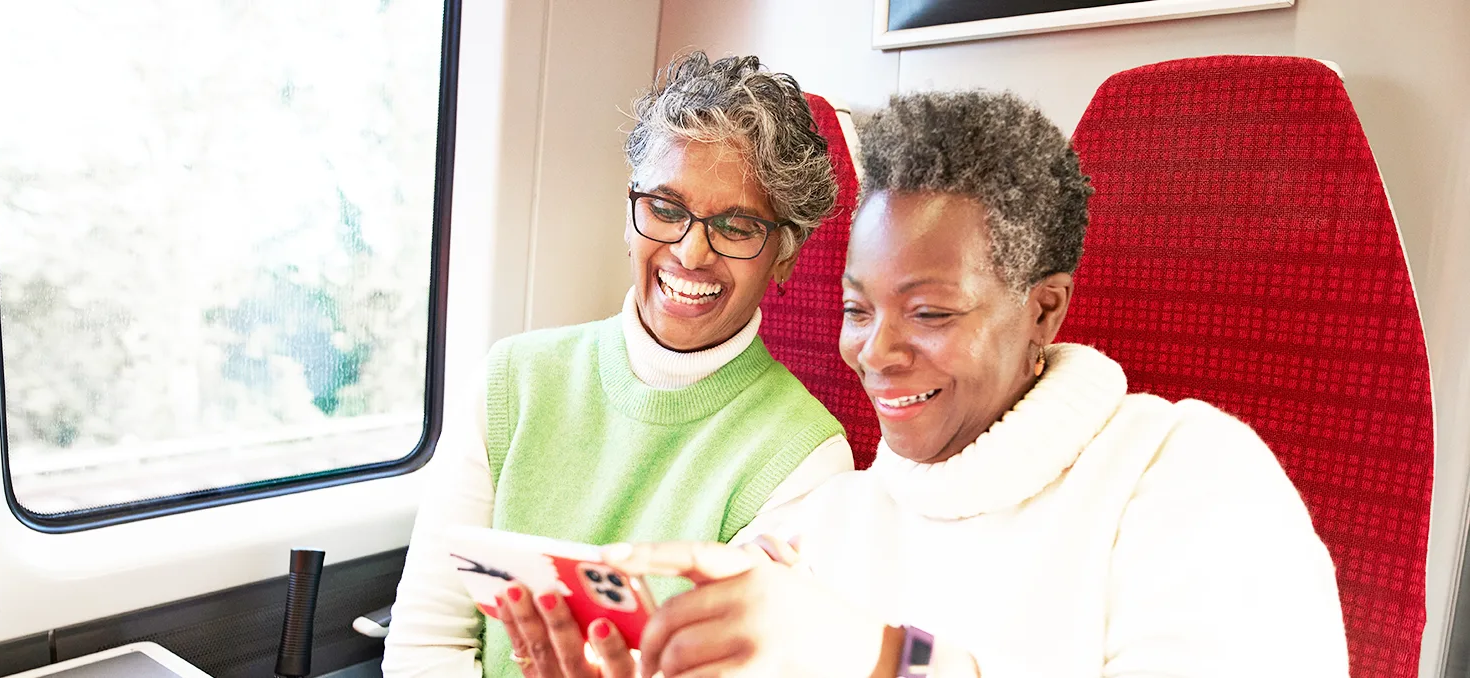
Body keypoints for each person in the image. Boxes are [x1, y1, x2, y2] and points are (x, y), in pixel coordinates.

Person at [519, 89, 1352, 677]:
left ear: (1045, 311)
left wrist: (885, 661)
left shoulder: (1185, 475)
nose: (876, 352)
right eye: (856, 308)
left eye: (931, 313)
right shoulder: (833, 524)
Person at [381, 52, 855, 678]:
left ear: (786, 256)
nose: (690, 250)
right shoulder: (513, 382)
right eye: (665, 208)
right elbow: (425, 643)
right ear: (630, 215)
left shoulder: (805, 457)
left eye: (737, 226)